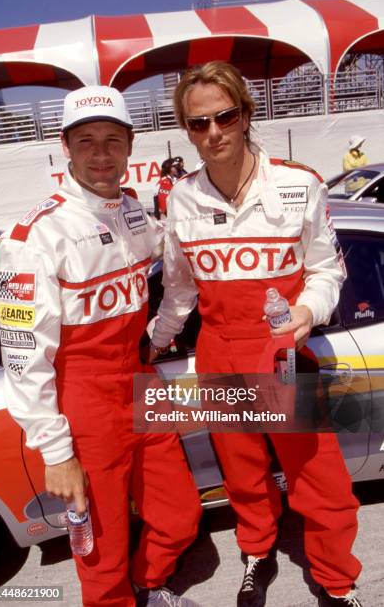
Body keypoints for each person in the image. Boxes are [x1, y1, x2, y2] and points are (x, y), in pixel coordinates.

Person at [149, 62, 362, 607]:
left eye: (224, 116)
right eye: (199, 123)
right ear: (186, 129)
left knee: (320, 481)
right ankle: (258, 554)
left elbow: (327, 270)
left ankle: (337, 583)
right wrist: (154, 340)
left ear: (245, 115)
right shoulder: (182, 200)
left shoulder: (300, 182)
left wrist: (308, 311)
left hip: (282, 350)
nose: (213, 132)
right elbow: (178, 293)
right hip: (217, 348)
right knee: (242, 474)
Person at [0, 85, 201, 607]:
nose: (102, 154)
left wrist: (160, 334)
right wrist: (56, 451)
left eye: (113, 140)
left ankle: (146, 585)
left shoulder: (133, 212)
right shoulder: (31, 237)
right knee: (99, 549)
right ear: (65, 147)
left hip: (140, 384)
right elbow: (22, 356)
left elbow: (177, 260)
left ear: (130, 146)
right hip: (82, 403)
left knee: (180, 516)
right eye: (87, 141)